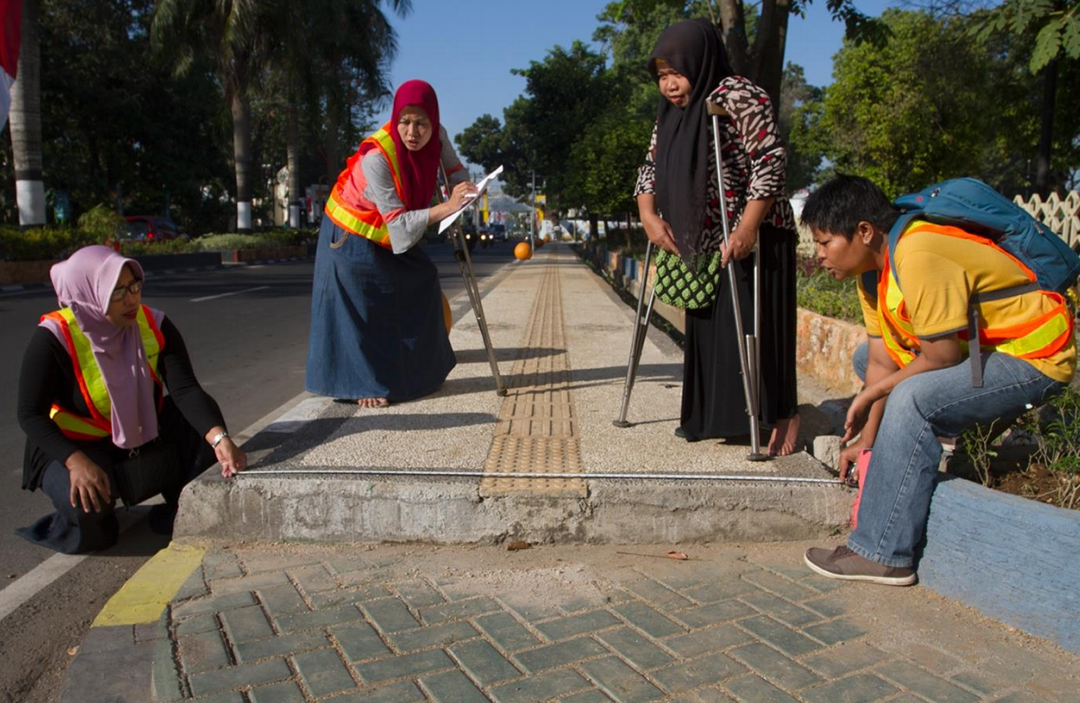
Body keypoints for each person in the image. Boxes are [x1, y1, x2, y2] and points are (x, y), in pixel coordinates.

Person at [801, 175, 1076, 585]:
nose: (819, 255)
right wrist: (866, 443)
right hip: (985, 355)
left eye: (825, 243)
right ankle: (925, 446)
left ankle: (882, 552)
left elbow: (941, 356)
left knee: (912, 399)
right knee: (867, 362)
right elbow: (880, 362)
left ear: (864, 231)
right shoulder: (871, 274)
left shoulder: (918, 250)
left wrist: (874, 396)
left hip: (1033, 357)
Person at [634, 19, 800, 454]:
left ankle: (782, 414)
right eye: (662, 75)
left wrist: (747, 227)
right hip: (705, 235)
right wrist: (648, 214)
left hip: (757, 231)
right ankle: (712, 417)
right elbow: (650, 165)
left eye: (677, 72)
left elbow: (770, 160)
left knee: (759, 326)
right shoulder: (671, 111)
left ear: (700, 61)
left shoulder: (739, 94)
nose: (669, 84)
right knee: (711, 328)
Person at [16, 246, 247, 554]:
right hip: (74, 445)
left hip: (138, 435)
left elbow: (185, 389)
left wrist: (220, 438)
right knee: (90, 515)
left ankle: (180, 506)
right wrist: (75, 462)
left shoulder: (153, 323)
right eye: (117, 292)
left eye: (134, 286)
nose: (131, 299)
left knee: (196, 424)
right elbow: (29, 413)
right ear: (89, 294)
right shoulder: (54, 337)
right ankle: (83, 519)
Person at [306, 80, 476, 407]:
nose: (412, 132)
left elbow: (455, 172)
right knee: (361, 306)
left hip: (388, 227)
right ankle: (361, 385)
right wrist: (447, 207)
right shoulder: (378, 157)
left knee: (423, 279)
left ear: (433, 121)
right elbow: (398, 225)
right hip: (350, 230)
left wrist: (467, 189)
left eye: (421, 123)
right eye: (405, 122)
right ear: (395, 119)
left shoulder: (438, 137)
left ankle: (421, 373)